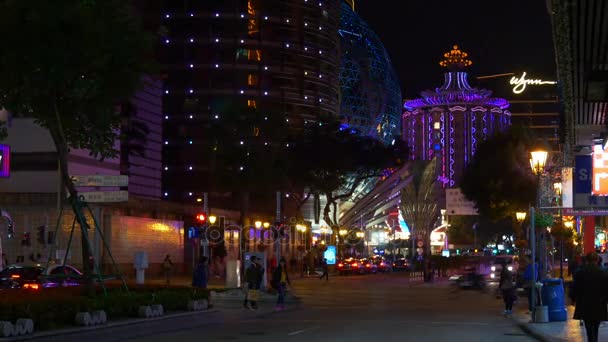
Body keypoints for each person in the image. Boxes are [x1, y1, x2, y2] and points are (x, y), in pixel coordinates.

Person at [570, 252, 608, 342]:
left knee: (588, 326)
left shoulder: (580, 273)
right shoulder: (603, 273)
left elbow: (575, 288)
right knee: (596, 325)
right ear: (597, 260)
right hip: (599, 304)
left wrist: (573, 299)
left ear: (587, 260)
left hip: (584, 304)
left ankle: (592, 340)